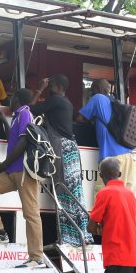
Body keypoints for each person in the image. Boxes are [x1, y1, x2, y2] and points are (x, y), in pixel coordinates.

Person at [0, 88, 44, 268]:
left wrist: (3, 165)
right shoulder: (18, 115)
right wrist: (3, 121)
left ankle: (36, 258)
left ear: (16, 99)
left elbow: (23, 143)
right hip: (12, 172)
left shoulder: (25, 113)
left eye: (11, 96)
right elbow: (14, 138)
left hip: (24, 172)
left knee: (31, 214)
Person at [32, 74, 93, 246]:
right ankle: (81, 235)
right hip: (71, 148)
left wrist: (39, 89)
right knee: (74, 193)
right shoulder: (65, 102)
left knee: (63, 192)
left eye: (51, 85)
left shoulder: (57, 100)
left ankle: (70, 238)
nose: (49, 87)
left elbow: (31, 109)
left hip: (62, 147)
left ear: (58, 87)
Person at [76, 79, 136, 191]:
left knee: (104, 195)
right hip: (129, 157)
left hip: (113, 159)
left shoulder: (97, 98)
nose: (91, 94)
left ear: (98, 89)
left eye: (92, 90)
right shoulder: (116, 103)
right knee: (127, 199)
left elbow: (79, 118)